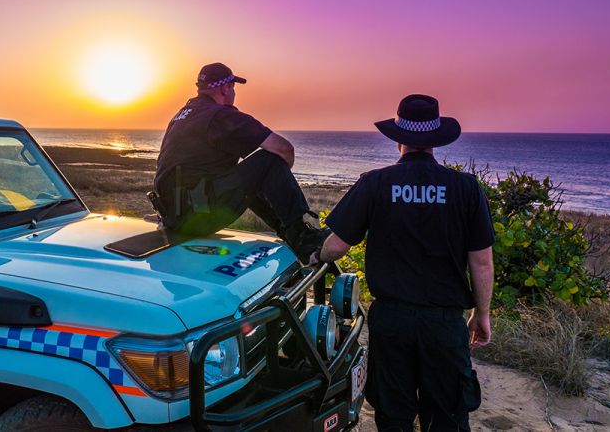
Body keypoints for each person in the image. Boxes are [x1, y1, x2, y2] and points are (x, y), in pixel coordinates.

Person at [311, 94, 495, 431]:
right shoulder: (466, 188)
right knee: (448, 417)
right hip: (444, 322)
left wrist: (313, 254)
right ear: (435, 141)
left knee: (394, 414)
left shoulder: (376, 182)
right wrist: (480, 315)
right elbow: (481, 262)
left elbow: (336, 246)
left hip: (391, 319)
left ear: (399, 139)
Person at [150, 62, 328, 260]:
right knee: (268, 160)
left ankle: (288, 233)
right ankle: (303, 237)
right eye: (233, 87)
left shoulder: (181, 116)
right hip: (198, 216)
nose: (234, 93)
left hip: (175, 216)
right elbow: (284, 149)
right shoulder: (220, 115)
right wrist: (277, 180)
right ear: (224, 88)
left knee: (249, 176)